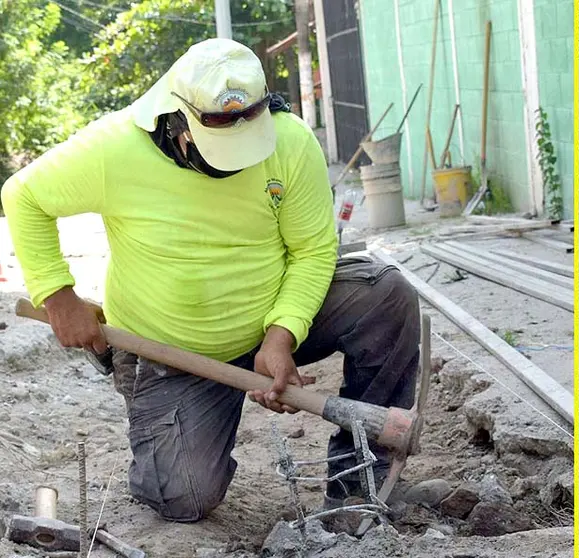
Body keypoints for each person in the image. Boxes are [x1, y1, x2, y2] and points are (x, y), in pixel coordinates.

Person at [0, 38, 419, 521]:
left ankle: (357, 486)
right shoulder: (113, 149)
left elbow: (312, 250)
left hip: (271, 316)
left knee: (386, 293)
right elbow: (22, 195)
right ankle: (168, 424)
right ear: (179, 122)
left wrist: (281, 334)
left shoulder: (291, 140)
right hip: (171, 350)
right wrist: (57, 295)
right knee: (182, 497)